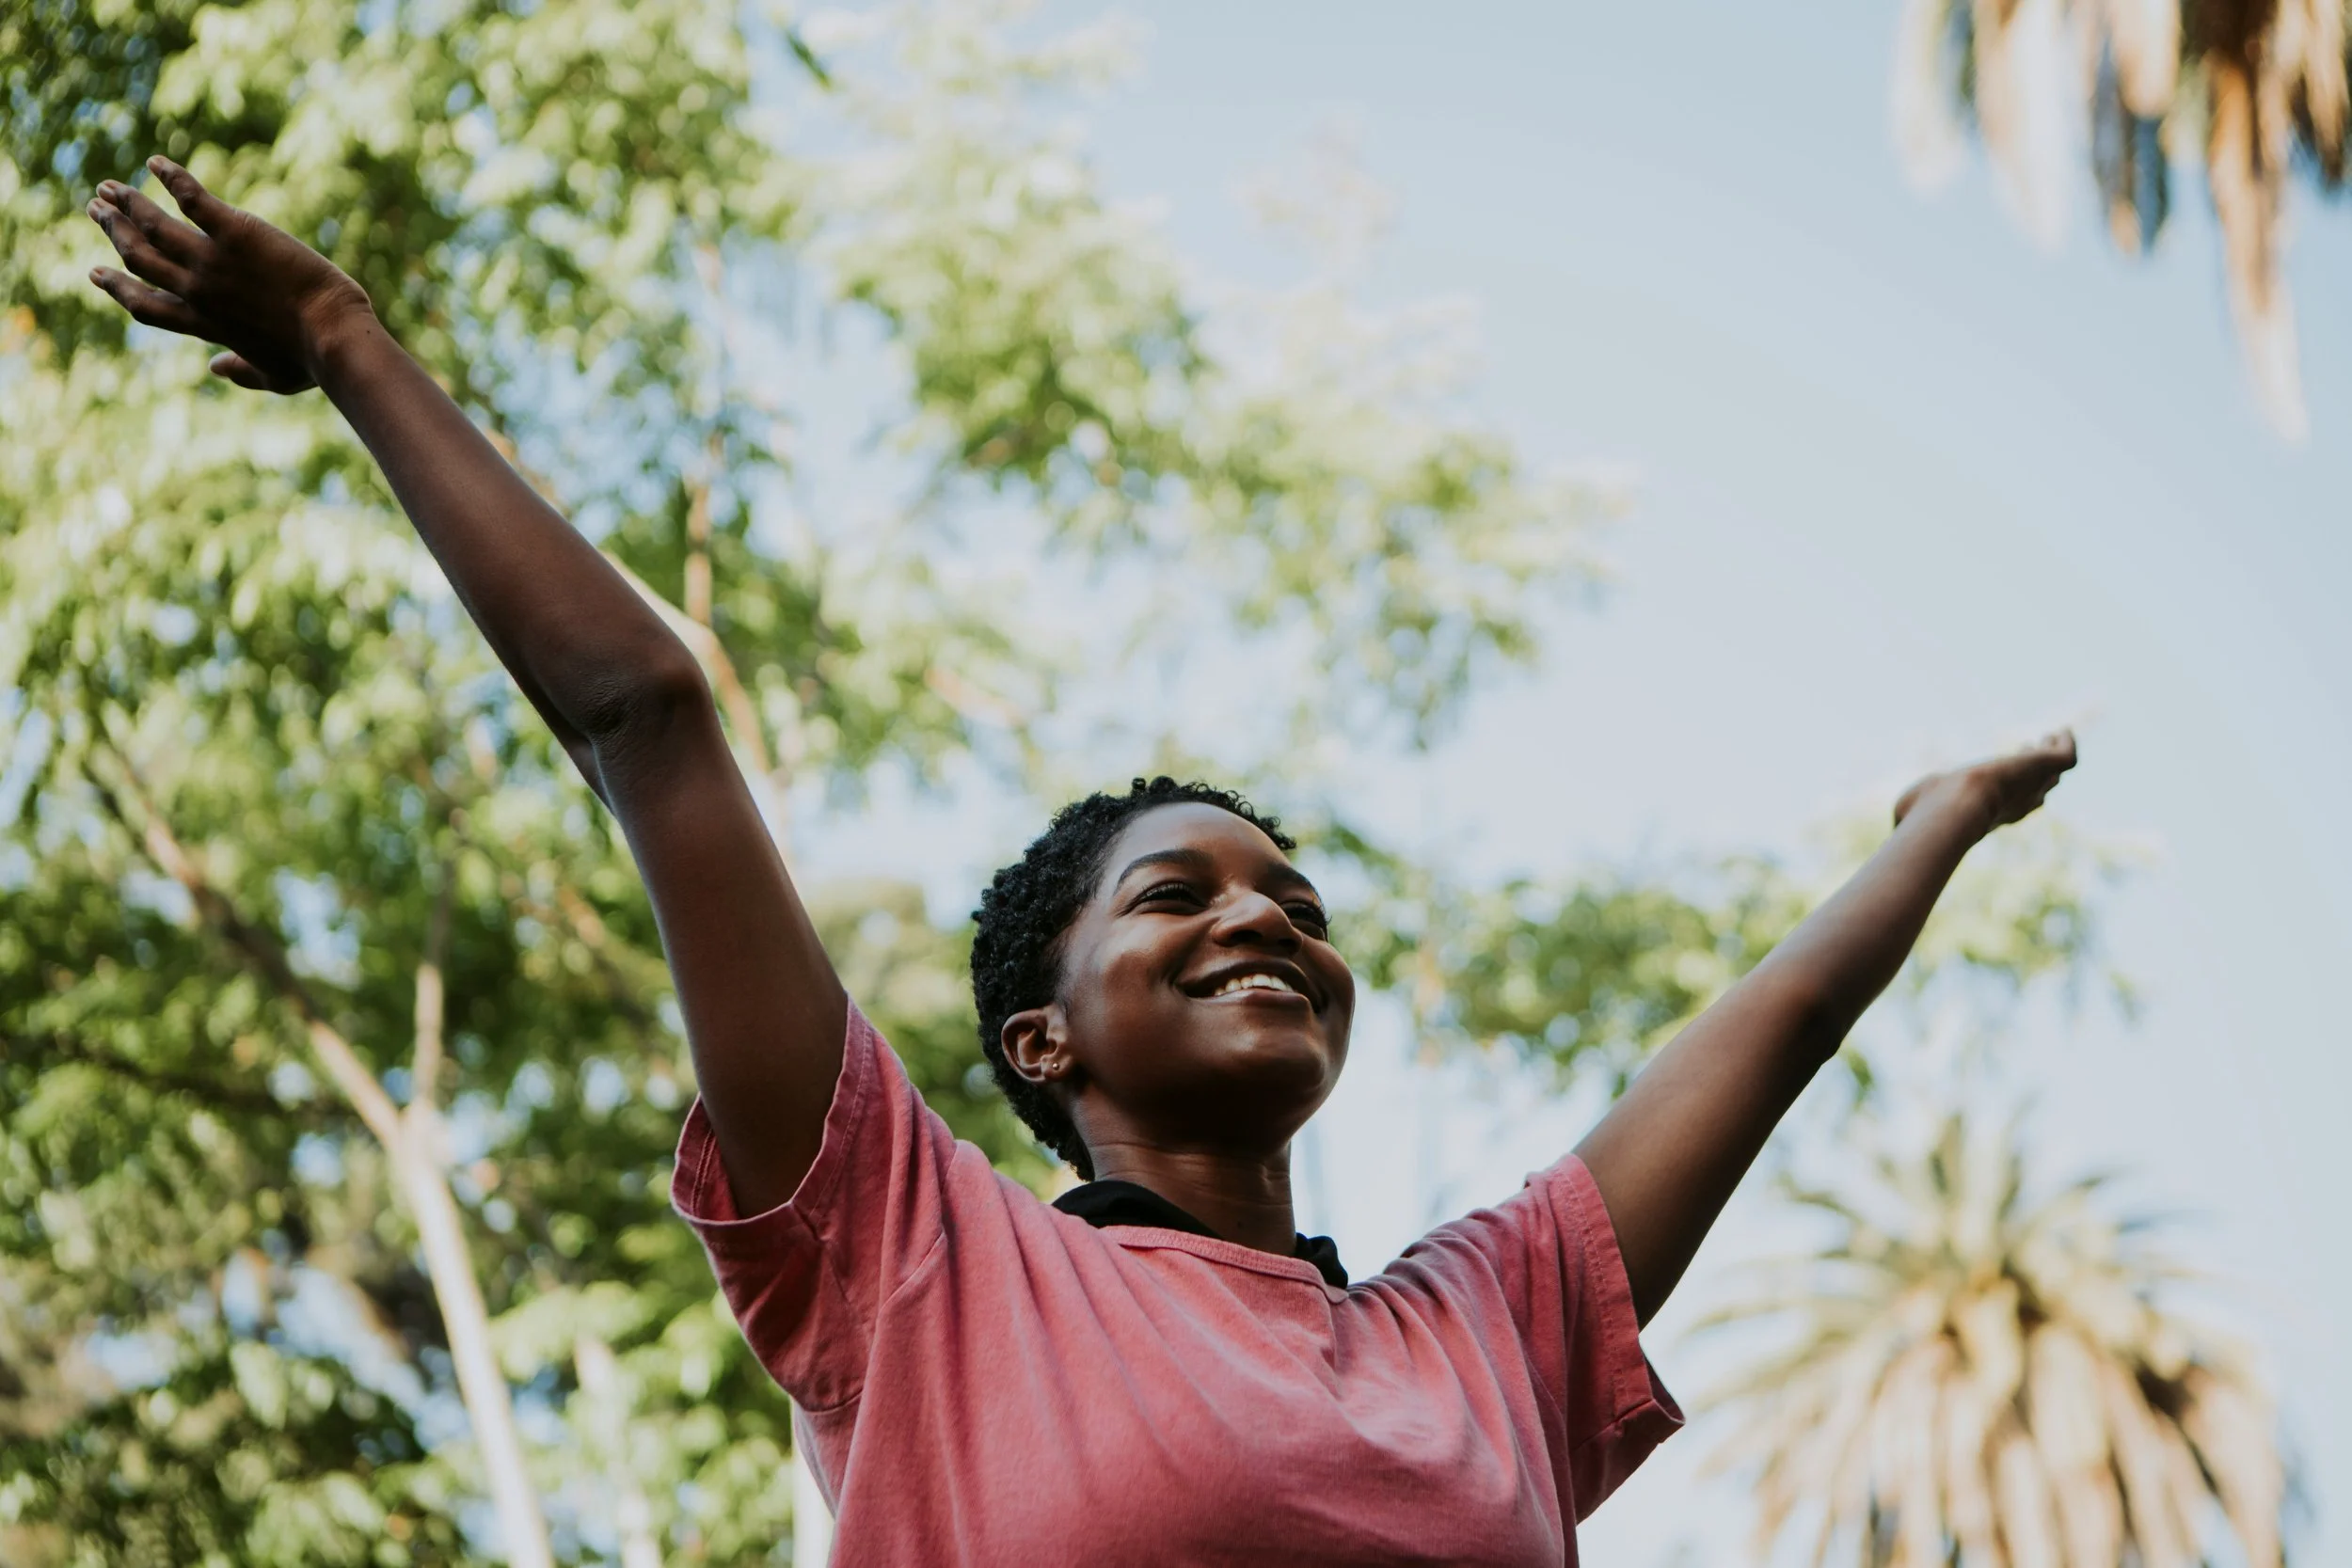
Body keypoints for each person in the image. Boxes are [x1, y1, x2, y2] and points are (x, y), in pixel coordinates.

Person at [86, 157, 2078, 1566]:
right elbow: (649, 719)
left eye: (1293, 898)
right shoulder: (913, 1247)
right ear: (1041, 1041)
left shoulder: (1485, 1329)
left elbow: (1772, 1027)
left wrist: (1934, 828)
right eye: (1180, 891)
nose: (1260, 916)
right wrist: (346, 336)